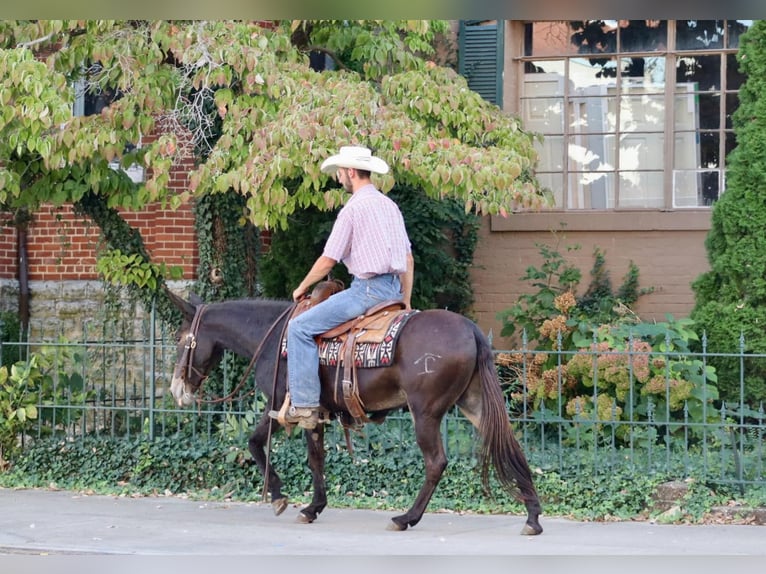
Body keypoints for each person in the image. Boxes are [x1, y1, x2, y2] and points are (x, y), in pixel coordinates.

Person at [269, 145, 414, 430]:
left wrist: (301, 287)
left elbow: (327, 261)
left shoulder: (352, 210)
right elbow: (408, 259)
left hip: (366, 292)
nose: (338, 178)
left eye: (339, 172)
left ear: (350, 172)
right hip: (392, 292)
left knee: (299, 329)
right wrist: (405, 302)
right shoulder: (390, 207)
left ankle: (306, 406)